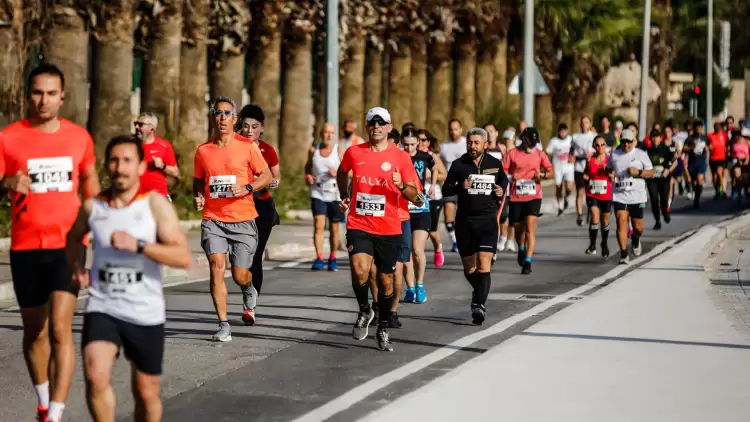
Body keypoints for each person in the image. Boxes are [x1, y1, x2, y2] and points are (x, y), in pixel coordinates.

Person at [65, 135, 190, 422]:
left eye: (127, 161)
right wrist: (76, 266)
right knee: (96, 376)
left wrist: (141, 246)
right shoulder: (93, 207)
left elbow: (182, 255)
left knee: (146, 393)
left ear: (142, 167)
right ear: (106, 167)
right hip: (103, 306)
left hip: (144, 311)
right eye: (114, 160)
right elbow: (73, 239)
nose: (120, 168)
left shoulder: (154, 205)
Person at [0, 63, 100, 422]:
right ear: (29, 95)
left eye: (51, 93)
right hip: (26, 247)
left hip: (68, 246)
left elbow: (91, 188)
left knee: (60, 327)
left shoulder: (78, 138)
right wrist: (6, 184)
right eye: (38, 93)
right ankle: (43, 402)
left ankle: (55, 414)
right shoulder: (8, 138)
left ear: (62, 97)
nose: (44, 100)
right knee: (34, 333)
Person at [337, 107, 420, 352]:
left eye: (381, 123)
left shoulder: (400, 157)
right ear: (367, 126)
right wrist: (344, 193)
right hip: (359, 223)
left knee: (385, 281)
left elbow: (415, 195)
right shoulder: (354, 152)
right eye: (372, 122)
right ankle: (365, 310)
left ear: (389, 127)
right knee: (359, 269)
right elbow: (342, 172)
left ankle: (382, 327)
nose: (376, 126)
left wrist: (401, 185)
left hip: (390, 227)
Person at [193, 96, 272, 340]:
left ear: (234, 119)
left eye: (227, 113)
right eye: (218, 113)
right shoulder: (203, 151)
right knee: (217, 266)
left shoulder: (247, 146)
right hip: (213, 218)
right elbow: (198, 180)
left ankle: (248, 289)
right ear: (212, 118)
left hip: (243, 218)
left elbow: (266, 175)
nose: (223, 117)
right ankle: (223, 324)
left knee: (239, 275)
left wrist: (248, 188)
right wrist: (199, 196)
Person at [443, 127, 508, 324]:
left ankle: (479, 305)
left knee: (484, 264)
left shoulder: (494, 164)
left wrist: (499, 190)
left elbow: (503, 182)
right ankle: (478, 293)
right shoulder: (458, 165)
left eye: (476, 143)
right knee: (469, 268)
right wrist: (459, 187)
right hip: (465, 220)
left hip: (487, 219)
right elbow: (446, 188)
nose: (472, 146)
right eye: (470, 142)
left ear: (485, 145)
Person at [237, 104, 282, 294]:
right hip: (238, 207)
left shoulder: (268, 150)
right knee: (240, 259)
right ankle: (247, 290)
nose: (249, 131)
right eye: (246, 126)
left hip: (262, 206)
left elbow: (276, 175)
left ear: (261, 128)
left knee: (255, 255)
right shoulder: (233, 147)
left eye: (254, 127)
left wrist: (273, 181)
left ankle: (251, 304)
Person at [504, 127, 554, 275]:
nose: (532, 146)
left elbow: (551, 171)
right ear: (523, 140)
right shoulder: (512, 153)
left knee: (530, 228)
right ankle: (521, 248)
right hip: (516, 196)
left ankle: (528, 261)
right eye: (529, 143)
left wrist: (543, 175)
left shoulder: (539, 154)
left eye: (534, 143)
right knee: (519, 230)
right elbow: (503, 171)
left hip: (534, 195)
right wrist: (512, 178)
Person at [607, 129, 654, 264]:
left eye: (629, 142)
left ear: (634, 141)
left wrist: (638, 172)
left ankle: (635, 238)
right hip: (620, 195)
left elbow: (651, 172)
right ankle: (623, 253)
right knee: (621, 220)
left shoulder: (641, 154)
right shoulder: (614, 154)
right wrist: (610, 174)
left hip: (637, 196)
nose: (626, 145)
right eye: (624, 142)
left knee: (638, 227)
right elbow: (609, 168)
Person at [402, 128, 437, 304]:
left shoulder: (425, 157)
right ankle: (410, 288)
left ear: (418, 143)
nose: (409, 149)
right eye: (406, 145)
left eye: (412, 145)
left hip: (421, 207)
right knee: (405, 251)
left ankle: (420, 284)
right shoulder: (398, 157)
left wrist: (432, 184)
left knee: (417, 250)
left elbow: (435, 167)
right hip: (402, 209)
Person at [305, 123, 344, 271]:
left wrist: (338, 173)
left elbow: (350, 172)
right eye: (326, 132)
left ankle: (333, 257)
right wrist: (308, 176)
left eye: (332, 133)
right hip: (318, 192)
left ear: (335, 136)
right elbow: (308, 167)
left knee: (334, 229)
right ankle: (319, 257)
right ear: (321, 134)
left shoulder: (338, 150)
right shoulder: (313, 150)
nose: (329, 135)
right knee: (318, 225)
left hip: (335, 194)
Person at [418, 129, 447, 267]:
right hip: (417, 198)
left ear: (428, 142)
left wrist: (428, 176)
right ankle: (418, 254)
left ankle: (437, 248)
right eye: (418, 139)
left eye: (423, 140)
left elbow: (444, 174)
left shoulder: (432, 156)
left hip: (433, 197)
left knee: (432, 231)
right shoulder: (410, 156)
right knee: (419, 229)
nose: (420, 142)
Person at [134, 112, 179, 199]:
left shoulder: (164, 145)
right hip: (135, 198)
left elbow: (175, 172)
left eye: (140, 125)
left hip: (158, 197)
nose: (136, 127)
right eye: (135, 124)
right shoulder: (130, 145)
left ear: (152, 128)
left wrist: (162, 166)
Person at [439, 118, 467, 252]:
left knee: (465, 215)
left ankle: (465, 239)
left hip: (466, 185)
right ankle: (455, 241)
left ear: (461, 130)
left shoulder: (467, 144)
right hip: (450, 184)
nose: (453, 132)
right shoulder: (444, 147)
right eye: (451, 129)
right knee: (448, 216)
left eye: (456, 129)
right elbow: (439, 165)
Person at [583, 136, 613, 257]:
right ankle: (592, 244)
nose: (600, 147)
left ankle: (604, 244)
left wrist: (608, 173)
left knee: (605, 220)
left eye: (602, 144)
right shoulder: (590, 159)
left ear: (606, 145)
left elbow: (613, 178)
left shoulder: (610, 160)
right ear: (594, 147)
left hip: (606, 194)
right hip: (592, 192)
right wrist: (585, 177)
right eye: (597, 145)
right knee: (594, 216)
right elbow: (586, 173)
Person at [646, 129, 676, 230]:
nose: (655, 139)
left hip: (663, 178)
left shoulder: (665, 149)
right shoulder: (648, 151)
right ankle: (657, 221)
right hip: (652, 179)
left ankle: (665, 212)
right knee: (654, 200)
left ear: (660, 138)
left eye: (657, 137)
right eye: (653, 137)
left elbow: (673, 161)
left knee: (663, 200)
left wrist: (668, 170)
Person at [569, 116, 597, 226]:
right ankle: (579, 215)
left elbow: (599, 152)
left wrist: (591, 155)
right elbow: (571, 153)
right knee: (580, 191)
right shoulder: (575, 137)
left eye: (586, 122)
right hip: (579, 168)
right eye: (582, 122)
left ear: (590, 124)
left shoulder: (595, 136)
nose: (584, 124)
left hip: (591, 168)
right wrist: (571, 157)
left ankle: (591, 211)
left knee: (591, 193)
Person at [546, 123, 575, 216]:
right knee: (558, 187)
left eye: (564, 131)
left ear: (567, 131)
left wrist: (572, 156)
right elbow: (548, 151)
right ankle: (560, 207)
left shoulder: (571, 140)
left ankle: (566, 198)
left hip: (569, 167)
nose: (563, 133)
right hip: (558, 167)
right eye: (561, 131)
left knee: (569, 187)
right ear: (558, 131)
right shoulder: (554, 141)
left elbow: (575, 150)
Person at [497, 130, 517, 252]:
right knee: (503, 216)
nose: (507, 140)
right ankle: (503, 237)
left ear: (514, 139)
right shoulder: (500, 151)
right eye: (505, 138)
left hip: (515, 188)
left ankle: (510, 240)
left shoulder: (517, 151)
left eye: (509, 138)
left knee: (514, 216)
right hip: (503, 188)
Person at [684, 121, 709, 208]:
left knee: (699, 179)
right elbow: (684, 148)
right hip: (692, 163)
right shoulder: (690, 138)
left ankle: (697, 198)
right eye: (697, 128)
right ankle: (696, 195)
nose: (699, 130)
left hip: (701, 162)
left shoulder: (705, 138)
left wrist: (707, 147)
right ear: (695, 129)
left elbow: (711, 146)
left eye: (700, 128)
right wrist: (691, 147)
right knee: (694, 183)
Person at [708, 122, 729, 199]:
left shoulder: (724, 135)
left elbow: (728, 145)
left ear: (720, 127)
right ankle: (717, 191)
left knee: (719, 172)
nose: (717, 128)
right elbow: (707, 145)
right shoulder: (710, 136)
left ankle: (721, 190)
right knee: (714, 176)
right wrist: (709, 147)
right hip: (713, 158)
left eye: (718, 126)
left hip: (722, 158)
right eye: (715, 127)